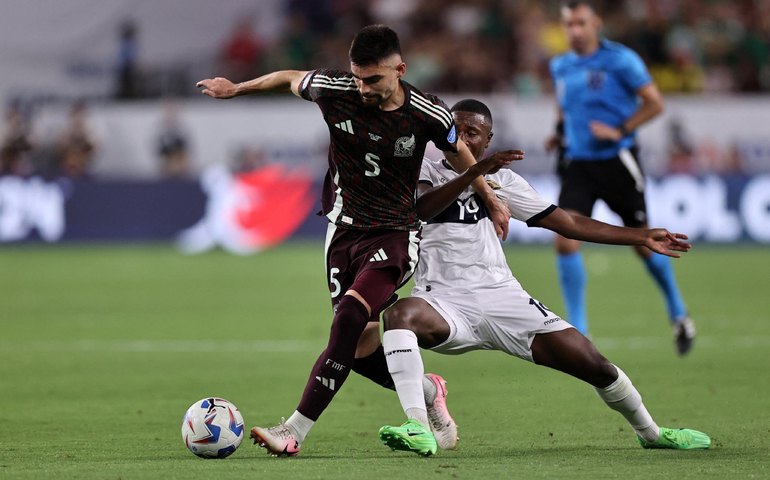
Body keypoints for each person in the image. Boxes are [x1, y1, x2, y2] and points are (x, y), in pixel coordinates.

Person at [196, 24, 520, 457]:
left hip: (396, 233)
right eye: (357, 77)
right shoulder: (334, 89)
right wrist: (236, 88)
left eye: (373, 79)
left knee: (348, 318)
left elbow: (458, 150)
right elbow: (289, 77)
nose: (363, 88)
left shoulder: (429, 113)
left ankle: (293, 431)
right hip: (343, 232)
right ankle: (429, 390)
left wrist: (490, 198)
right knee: (361, 351)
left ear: (400, 70)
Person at [377, 99, 711, 457]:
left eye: (472, 132)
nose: (462, 139)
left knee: (594, 365)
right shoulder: (424, 170)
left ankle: (651, 432)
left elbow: (568, 223)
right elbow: (424, 208)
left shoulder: (504, 181)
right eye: (455, 130)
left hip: (503, 298)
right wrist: (477, 172)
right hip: (442, 303)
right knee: (398, 315)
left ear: (488, 140)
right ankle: (417, 425)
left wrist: (640, 236)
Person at [544, 1, 695, 354]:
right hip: (579, 163)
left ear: (596, 23)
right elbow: (564, 104)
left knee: (643, 243)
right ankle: (580, 330)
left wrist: (620, 130)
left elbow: (654, 102)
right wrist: (559, 132)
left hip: (617, 162)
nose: (574, 31)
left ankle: (678, 312)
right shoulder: (560, 65)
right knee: (565, 238)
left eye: (580, 23)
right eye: (569, 24)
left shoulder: (621, 60)